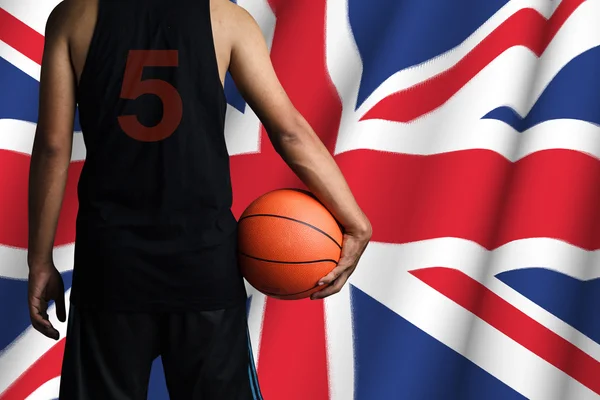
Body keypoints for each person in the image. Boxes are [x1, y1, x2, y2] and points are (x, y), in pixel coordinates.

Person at [26, 0, 372, 398]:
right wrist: (356, 222)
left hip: (111, 267)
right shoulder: (225, 17)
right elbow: (289, 132)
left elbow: (54, 147)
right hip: (203, 265)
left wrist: (39, 261)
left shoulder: (72, 16)